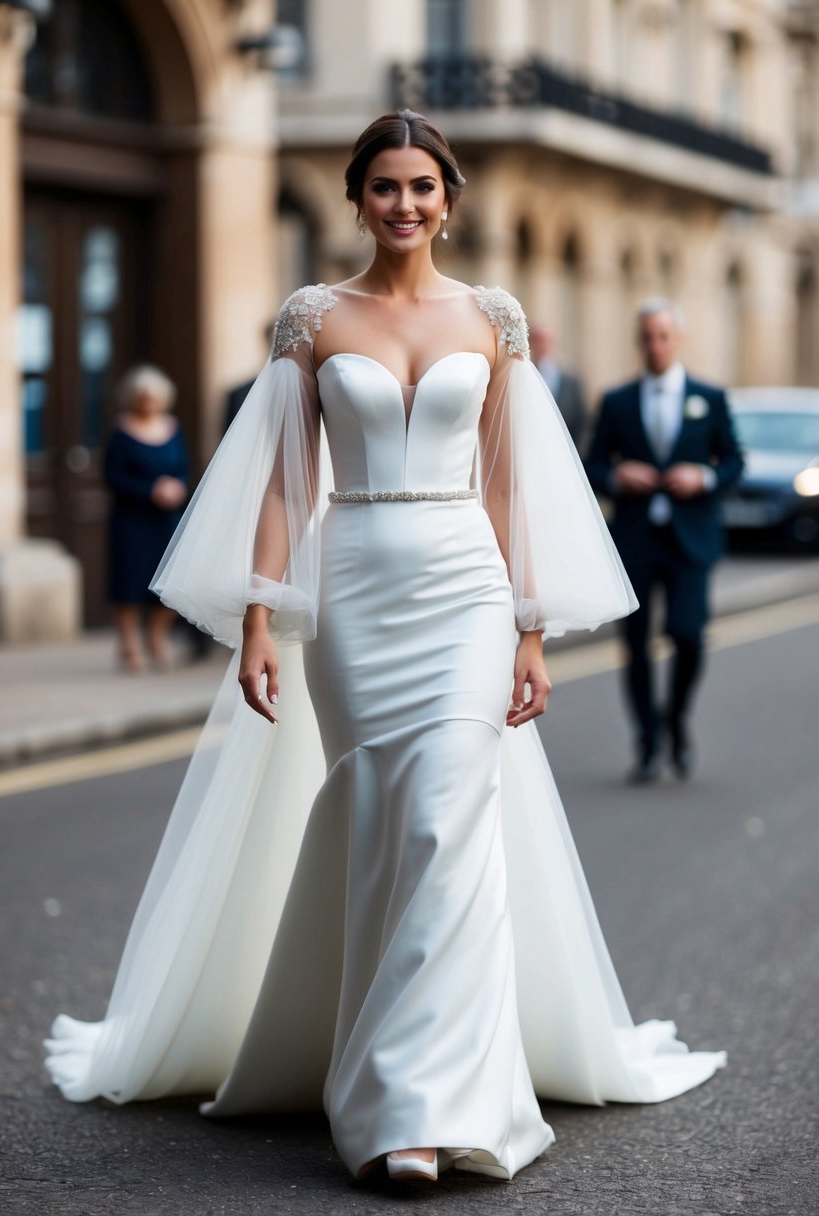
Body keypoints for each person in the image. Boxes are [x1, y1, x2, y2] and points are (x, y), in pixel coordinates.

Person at [45, 113, 725, 1185]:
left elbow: (505, 483)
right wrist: (259, 619)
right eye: (383, 187)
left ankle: (421, 1104)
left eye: (422, 186)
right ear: (357, 200)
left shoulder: (492, 318)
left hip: (465, 587)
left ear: (447, 200)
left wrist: (531, 631)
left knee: (451, 816)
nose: (403, 204)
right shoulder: (311, 318)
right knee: (383, 817)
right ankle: (377, 1071)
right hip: (354, 584)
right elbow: (279, 480)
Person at [583, 299, 744, 782]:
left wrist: (703, 477)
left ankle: (675, 719)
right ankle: (648, 740)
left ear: (678, 339)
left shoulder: (709, 398)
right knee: (635, 644)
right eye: (647, 337)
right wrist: (617, 475)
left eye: (663, 336)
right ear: (640, 341)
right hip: (633, 540)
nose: (655, 345)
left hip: (690, 539)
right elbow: (590, 466)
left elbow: (734, 462)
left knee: (688, 635)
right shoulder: (616, 401)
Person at [103, 366, 189, 672]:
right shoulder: (122, 431)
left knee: (167, 583)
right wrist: (150, 490)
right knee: (130, 582)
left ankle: (156, 637)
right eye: (142, 398)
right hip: (131, 520)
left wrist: (177, 487)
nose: (147, 403)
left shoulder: (173, 428)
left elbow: (182, 467)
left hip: (165, 520)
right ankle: (128, 645)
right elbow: (112, 477)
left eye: (152, 398)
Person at [529, 322, 588, 449]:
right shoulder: (524, 375)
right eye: (537, 340)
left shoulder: (570, 382)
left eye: (545, 341)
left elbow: (581, 421)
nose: (542, 346)